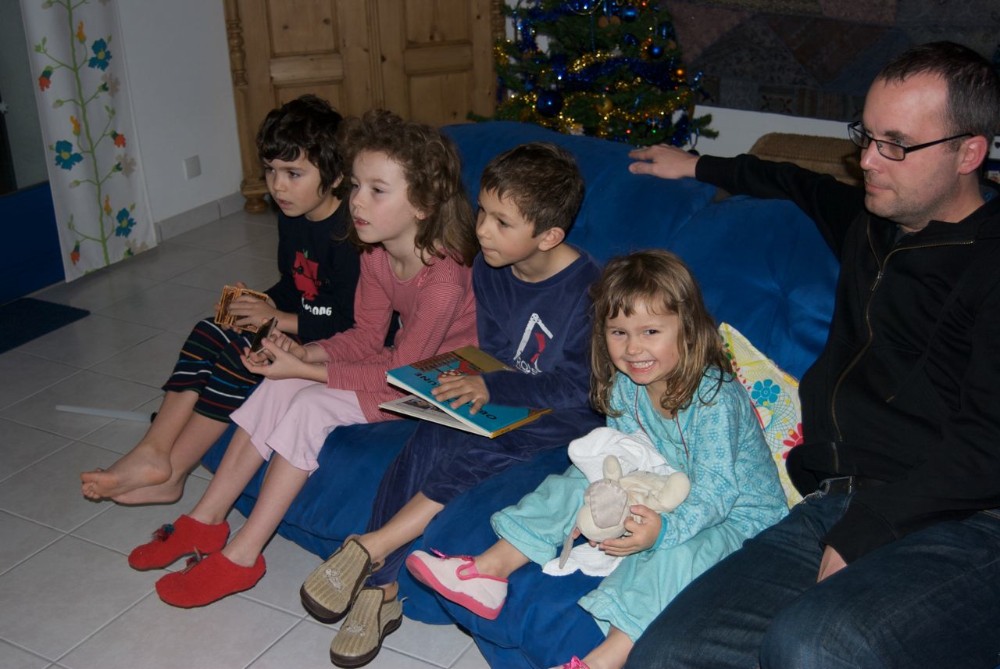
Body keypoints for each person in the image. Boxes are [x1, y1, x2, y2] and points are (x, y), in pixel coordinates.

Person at [624, 41, 1000, 668]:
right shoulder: (871, 220)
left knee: (813, 646)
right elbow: (796, 181)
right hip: (837, 501)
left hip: (965, 521)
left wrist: (872, 526)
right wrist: (695, 165)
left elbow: (990, 448)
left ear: (969, 153)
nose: (867, 160)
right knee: (665, 655)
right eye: (866, 136)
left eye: (896, 145)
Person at [125, 109, 480, 612]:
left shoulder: (443, 276)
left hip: (443, 384)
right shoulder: (375, 252)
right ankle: (206, 520)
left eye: (377, 190)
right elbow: (364, 336)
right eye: (355, 185)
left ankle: (244, 554)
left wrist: (309, 371)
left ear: (423, 204)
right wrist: (302, 352)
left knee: (310, 405)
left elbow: (403, 376)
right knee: (278, 385)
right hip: (403, 366)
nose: (357, 201)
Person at [296, 142, 605, 667]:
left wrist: (495, 387)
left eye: (502, 222)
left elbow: (577, 388)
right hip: (505, 392)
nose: (482, 230)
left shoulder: (589, 292)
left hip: (565, 416)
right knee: (430, 433)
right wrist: (472, 380)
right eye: (482, 211)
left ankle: (371, 549)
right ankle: (383, 593)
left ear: (549, 236)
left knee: (479, 455)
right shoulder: (491, 268)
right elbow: (495, 352)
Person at [406, 250, 788, 669]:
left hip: (738, 517)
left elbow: (717, 492)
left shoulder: (714, 398)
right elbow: (621, 455)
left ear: (689, 331)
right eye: (618, 332)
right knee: (580, 478)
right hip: (660, 484)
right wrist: (605, 502)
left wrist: (662, 530)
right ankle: (491, 569)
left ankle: (603, 661)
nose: (633, 348)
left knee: (675, 554)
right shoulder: (626, 384)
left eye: (650, 331)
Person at [80, 95, 360, 505]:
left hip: (338, 343)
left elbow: (350, 323)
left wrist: (275, 319)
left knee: (238, 356)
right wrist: (256, 302)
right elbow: (296, 285)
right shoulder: (293, 217)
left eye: (293, 173)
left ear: (335, 177)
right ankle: (153, 450)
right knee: (209, 330)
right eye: (270, 170)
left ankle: (174, 472)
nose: (278, 185)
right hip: (302, 323)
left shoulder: (352, 236)